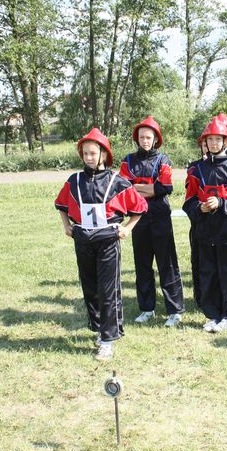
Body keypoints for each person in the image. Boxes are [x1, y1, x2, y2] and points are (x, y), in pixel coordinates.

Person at [55, 128, 147, 360]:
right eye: (85, 153)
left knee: (108, 291)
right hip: (83, 241)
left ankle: (108, 338)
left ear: (103, 155)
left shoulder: (117, 182)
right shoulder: (74, 181)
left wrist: (127, 228)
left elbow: (139, 209)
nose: (89, 157)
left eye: (93, 153)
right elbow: (62, 205)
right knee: (90, 288)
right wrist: (67, 226)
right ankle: (98, 329)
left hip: (107, 241)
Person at [183, 117, 227, 332]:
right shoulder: (197, 170)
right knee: (208, 272)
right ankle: (212, 314)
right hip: (205, 231)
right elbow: (188, 201)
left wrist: (221, 203)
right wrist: (199, 208)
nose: (213, 143)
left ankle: (226, 315)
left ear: (226, 141)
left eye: (217, 139)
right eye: (209, 139)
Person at [119, 116, 185, 327]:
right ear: (136, 139)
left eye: (149, 137)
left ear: (156, 139)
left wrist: (136, 187)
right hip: (138, 219)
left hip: (160, 217)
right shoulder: (128, 160)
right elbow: (122, 188)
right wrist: (149, 188)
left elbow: (165, 188)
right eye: (141, 137)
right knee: (142, 265)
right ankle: (147, 308)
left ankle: (174, 310)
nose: (145, 140)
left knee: (167, 263)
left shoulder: (163, 160)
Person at [186, 138, 209, 308]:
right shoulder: (195, 167)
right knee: (198, 260)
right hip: (199, 221)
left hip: (220, 223)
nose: (208, 147)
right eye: (205, 144)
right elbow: (190, 197)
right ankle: (200, 296)